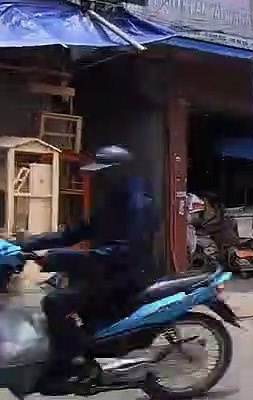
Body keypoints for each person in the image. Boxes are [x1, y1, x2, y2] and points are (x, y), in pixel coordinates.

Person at [19, 146, 159, 383]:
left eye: (102, 173)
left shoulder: (138, 206)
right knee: (56, 292)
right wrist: (26, 244)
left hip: (126, 276)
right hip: (106, 271)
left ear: (118, 173)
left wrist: (58, 258)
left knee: (54, 302)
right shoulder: (112, 202)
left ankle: (72, 362)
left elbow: (121, 252)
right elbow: (75, 233)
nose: (96, 178)